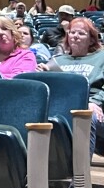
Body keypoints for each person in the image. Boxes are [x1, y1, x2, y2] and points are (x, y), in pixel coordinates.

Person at [40, 17, 104, 157]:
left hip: (94, 110)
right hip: (62, 107)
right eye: (72, 32)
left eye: (81, 33)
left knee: (85, 114)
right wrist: (42, 74)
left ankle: (80, 177)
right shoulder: (56, 60)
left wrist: (95, 102)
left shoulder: (101, 57)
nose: (75, 36)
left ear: (92, 40)